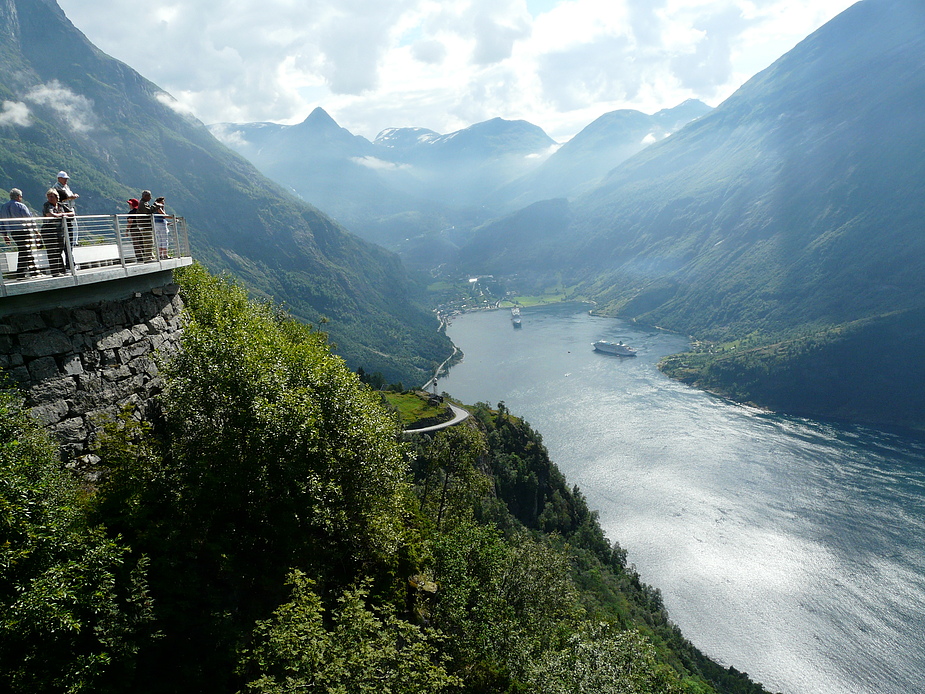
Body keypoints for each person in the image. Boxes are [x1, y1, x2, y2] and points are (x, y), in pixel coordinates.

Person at [0, 188, 38, 279]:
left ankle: (33, 272)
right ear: (18, 196)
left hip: (13, 233)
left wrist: (5, 235)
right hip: (24, 231)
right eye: (20, 196)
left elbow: (1, 222)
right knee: (25, 251)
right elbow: (29, 218)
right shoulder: (21, 206)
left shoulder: (3, 207)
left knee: (25, 250)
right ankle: (21, 273)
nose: (21, 198)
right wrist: (36, 231)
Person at [41, 189, 73, 275]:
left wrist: (63, 214)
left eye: (51, 196)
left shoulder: (61, 205)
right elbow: (50, 215)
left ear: (56, 197)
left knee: (59, 250)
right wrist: (61, 215)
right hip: (49, 231)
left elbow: (72, 213)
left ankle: (62, 270)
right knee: (52, 251)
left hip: (59, 231)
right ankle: (55, 271)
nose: (50, 198)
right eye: (48, 197)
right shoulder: (47, 205)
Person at [53, 170, 79, 247]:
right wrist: (71, 197)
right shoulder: (56, 187)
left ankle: (74, 242)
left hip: (70, 208)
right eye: (64, 178)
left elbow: (69, 195)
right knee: (67, 225)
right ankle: (68, 242)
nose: (66, 180)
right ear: (59, 178)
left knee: (74, 225)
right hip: (64, 208)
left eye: (66, 179)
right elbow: (60, 198)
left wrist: (73, 196)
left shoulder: (66, 187)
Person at [134, 190, 158, 262]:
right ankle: (148, 257)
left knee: (149, 241)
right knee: (148, 241)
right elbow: (148, 211)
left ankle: (150, 255)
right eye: (149, 196)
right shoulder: (142, 204)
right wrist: (156, 206)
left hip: (145, 225)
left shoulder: (144, 203)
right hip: (145, 226)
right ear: (145, 196)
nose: (150, 198)